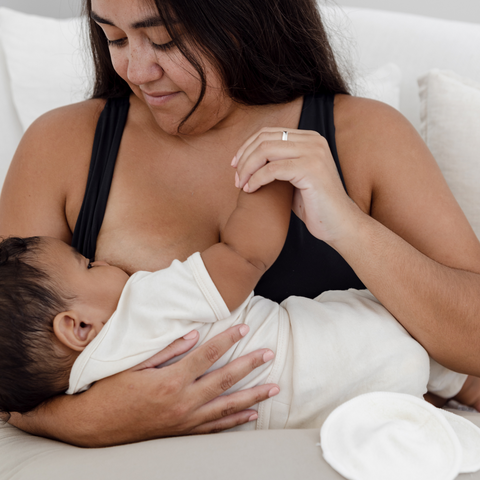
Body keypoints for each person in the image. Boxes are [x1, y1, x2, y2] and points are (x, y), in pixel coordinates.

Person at [0, 0, 480, 447]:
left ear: (243, 19)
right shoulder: (63, 144)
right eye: (115, 39)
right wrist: (89, 420)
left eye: (165, 40)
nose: (137, 71)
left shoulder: (364, 135)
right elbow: (8, 358)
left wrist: (349, 227)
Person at [0, 177, 468, 426]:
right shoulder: (144, 305)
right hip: (358, 344)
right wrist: (267, 178)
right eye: (87, 265)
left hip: (325, 414)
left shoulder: (74, 391)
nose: (101, 263)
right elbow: (244, 257)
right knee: (403, 332)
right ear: (77, 327)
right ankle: (457, 384)